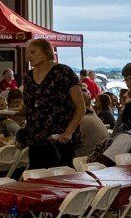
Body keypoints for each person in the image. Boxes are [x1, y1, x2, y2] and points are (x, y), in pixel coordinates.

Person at [20, 37, 88, 170]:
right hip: (36, 138)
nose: (28, 56)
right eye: (27, 52)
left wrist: (68, 132)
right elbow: (28, 107)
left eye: (33, 52)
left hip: (60, 138)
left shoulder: (64, 72)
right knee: (36, 177)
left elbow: (80, 108)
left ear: (46, 53)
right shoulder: (28, 77)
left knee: (61, 176)